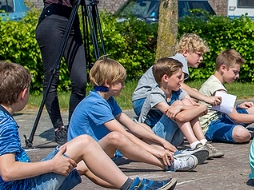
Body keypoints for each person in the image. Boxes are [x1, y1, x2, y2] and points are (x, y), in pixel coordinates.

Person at [0, 61, 178, 190]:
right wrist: (52, 166)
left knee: (85, 162)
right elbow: (8, 171)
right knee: (85, 143)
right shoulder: (3, 124)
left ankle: (137, 187)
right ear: (23, 93)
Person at [69, 58, 201, 173]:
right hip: (83, 156)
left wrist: (162, 142)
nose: (124, 85)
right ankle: (167, 163)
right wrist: (155, 151)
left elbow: (132, 125)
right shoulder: (95, 104)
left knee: (141, 126)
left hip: (100, 149)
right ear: (107, 82)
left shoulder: (107, 99)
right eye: (120, 81)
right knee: (117, 137)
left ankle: (172, 154)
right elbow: (123, 133)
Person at [29, 0, 90, 145]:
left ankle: (73, 125)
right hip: (52, 19)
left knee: (80, 79)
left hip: (72, 19)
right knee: (52, 76)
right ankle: (58, 127)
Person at [131, 33, 223, 159]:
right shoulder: (178, 62)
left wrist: (193, 106)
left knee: (185, 102)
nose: (201, 58)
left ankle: (201, 142)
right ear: (185, 51)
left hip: (153, 99)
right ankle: (196, 143)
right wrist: (205, 100)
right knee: (181, 105)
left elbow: (184, 92)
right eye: (199, 54)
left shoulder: (176, 70)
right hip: (143, 98)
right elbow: (183, 87)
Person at [136, 57, 212, 156]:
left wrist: (185, 106)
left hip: (174, 138)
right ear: (166, 78)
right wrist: (201, 107)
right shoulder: (155, 95)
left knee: (184, 103)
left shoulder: (178, 91)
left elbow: (194, 107)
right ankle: (194, 144)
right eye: (179, 77)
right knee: (177, 106)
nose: (182, 80)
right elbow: (179, 117)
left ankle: (202, 142)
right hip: (154, 139)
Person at [198, 49, 254, 145]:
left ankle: (252, 130)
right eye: (235, 72)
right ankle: (253, 132)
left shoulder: (216, 81)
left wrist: (236, 107)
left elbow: (219, 108)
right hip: (210, 126)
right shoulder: (217, 88)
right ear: (223, 68)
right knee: (242, 134)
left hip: (221, 117)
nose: (237, 76)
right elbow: (236, 118)